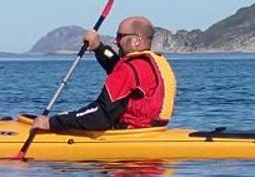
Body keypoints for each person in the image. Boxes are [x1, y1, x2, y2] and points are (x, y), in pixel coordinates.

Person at [32, 15, 175, 132]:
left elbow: (100, 115)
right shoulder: (150, 64)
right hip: (152, 132)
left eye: (120, 36)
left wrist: (52, 122)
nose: (116, 41)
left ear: (137, 41)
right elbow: (116, 65)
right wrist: (98, 47)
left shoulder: (129, 68)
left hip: (129, 137)